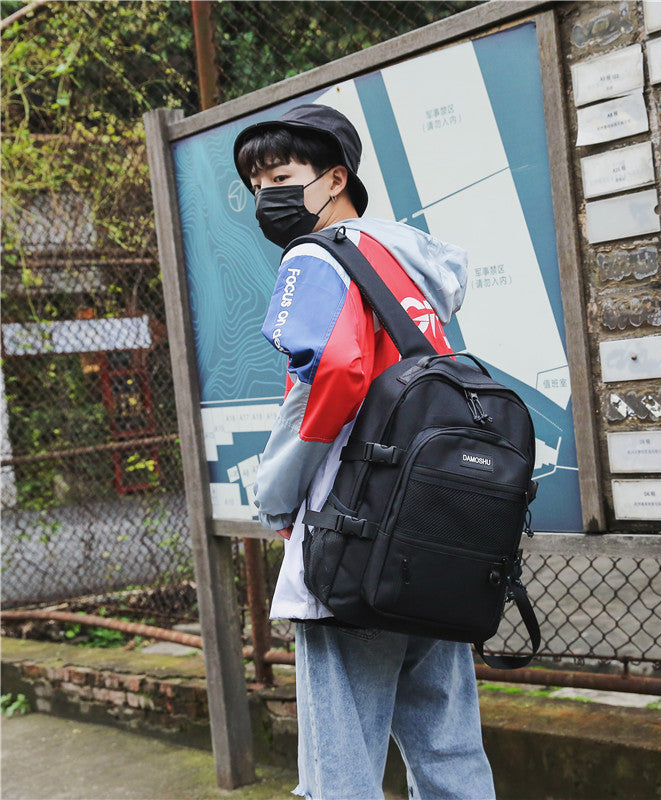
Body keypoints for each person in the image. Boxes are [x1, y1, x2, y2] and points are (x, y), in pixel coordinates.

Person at [233, 103, 495, 800]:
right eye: (256, 184)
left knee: (341, 753)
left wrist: (278, 487)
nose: (268, 196)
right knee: (447, 740)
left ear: (335, 177)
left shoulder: (315, 257)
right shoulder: (407, 261)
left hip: (352, 534)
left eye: (282, 176)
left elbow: (336, 372)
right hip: (433, 531)